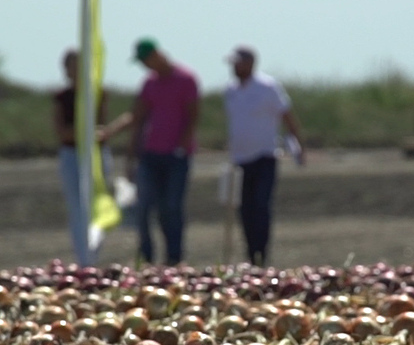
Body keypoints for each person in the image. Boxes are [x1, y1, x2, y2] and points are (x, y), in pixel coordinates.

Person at [100, 38, 200, 266]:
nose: (145, 66)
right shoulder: (149, 83)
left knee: (171, 207)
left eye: (146, 60)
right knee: (143, 207)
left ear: (156, 55)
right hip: (150, 155)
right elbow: (137, 118)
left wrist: (182, 146)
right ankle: (146, 257)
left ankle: (174, 258)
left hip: (176, 156)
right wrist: (123, 147)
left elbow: (193, 116)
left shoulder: (186, 79)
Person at [223, 46, 306, 267]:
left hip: (264, 156)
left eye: (238, 63)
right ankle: (251, 254)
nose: (234, 67)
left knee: (261, 206)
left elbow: (286, 115)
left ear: (250, 63)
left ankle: (261, 255)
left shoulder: (267, 87)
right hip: (239, 160)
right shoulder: (230, 90)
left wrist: (299, 145)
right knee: (244, 209)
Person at [53, 49, 111, 266]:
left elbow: (102, 126)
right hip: (71, 153)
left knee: (97, 204)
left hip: (96, 154)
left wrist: (90, 133)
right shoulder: (62, 97)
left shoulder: (98, 93)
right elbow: (61, 131)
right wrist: (83, 133)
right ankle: (83, 258)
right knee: (77, 207)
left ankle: (94, 253)